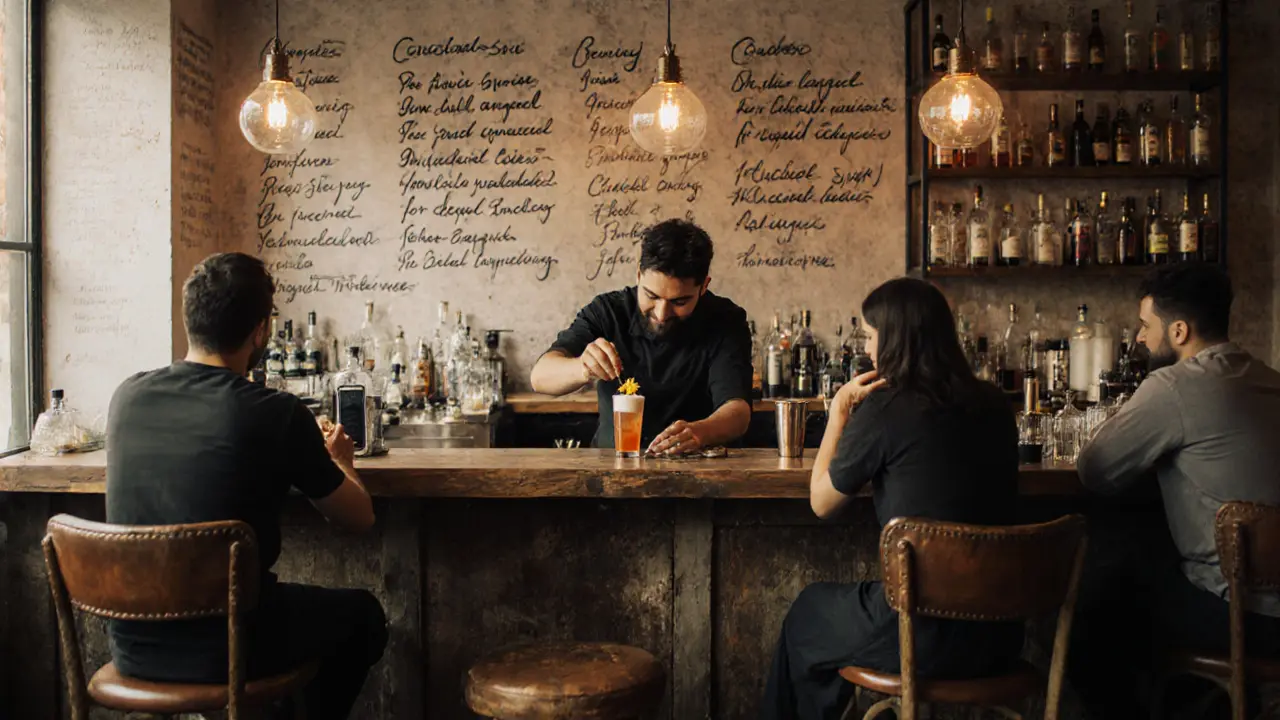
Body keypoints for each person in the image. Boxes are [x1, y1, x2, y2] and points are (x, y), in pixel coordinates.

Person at [105, 253, 387, 720]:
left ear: (189, 319)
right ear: (260, 332)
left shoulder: (126, 397)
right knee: (364, 617)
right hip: (233, 647)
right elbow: (359, 518)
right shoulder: (275, 412)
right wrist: (341, 461)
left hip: (133, 647)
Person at [762, 277, 1022, 720]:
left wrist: (839, 410)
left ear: (895, 339)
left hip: (918, 637)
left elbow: (821, 502)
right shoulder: (996, 405)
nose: (866, 349)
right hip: (1001, 637)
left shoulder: (886, 407)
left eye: (870, 336)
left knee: (808, 614)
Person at [1071, 263, 1280, 719]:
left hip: (1241, 616)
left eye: (1146, 326)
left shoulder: (1174, 385)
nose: (1141, 338)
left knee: (1096, 607)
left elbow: (1094, 470)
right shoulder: (1270, 379)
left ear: (1179, 331)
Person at [531, 219, 752, 454]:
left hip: (696, 465)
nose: (661, 313)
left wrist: (701, 432)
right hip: (613, 463)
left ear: (704, 286)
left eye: (679, 301)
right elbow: (540, 377)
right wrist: (582, 368)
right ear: (638, 275)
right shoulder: (608, 311)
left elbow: (738, 411)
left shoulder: (725, 320)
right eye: (651, 296)